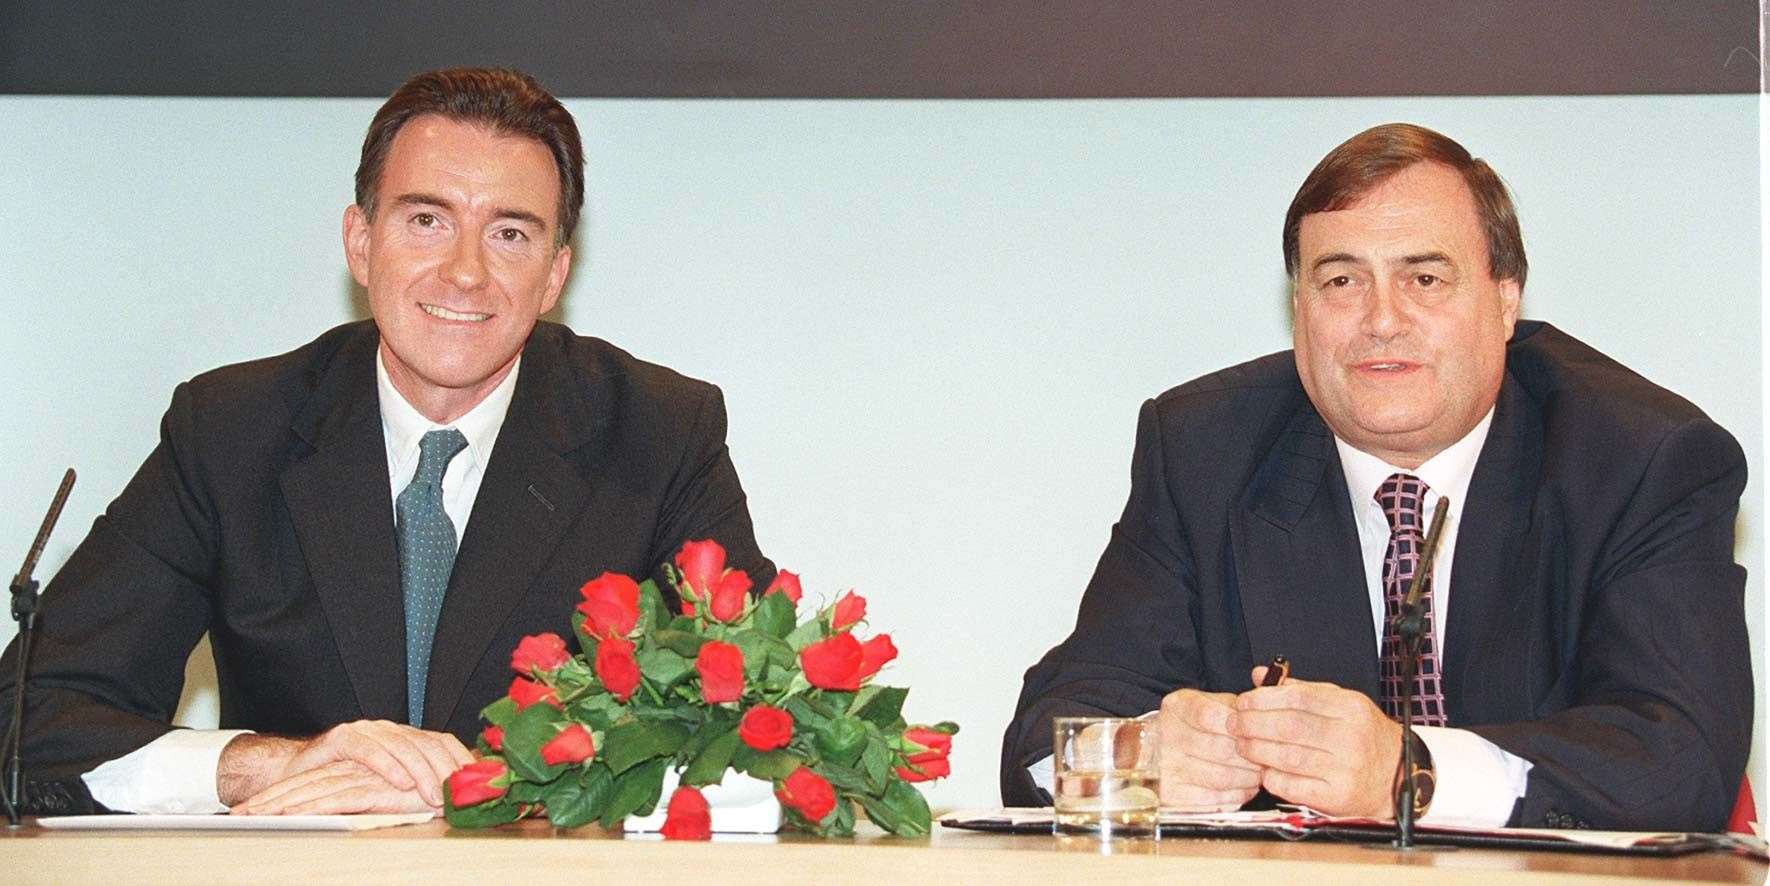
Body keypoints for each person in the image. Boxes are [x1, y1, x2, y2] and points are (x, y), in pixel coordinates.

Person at [0, 67, 773, 816]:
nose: (465, 272)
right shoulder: (232, 432)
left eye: (509, 233)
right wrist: (276, 764)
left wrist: (496, 784)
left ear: (553, 274)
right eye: (427, 220)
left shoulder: (657, 434)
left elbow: (767, 727)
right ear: (361, 242)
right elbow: (31, 715)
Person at [1000, 123, 1752, 832]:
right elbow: (1048, 737)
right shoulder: (1203, 452)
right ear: (1299, 308)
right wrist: (1145, 759)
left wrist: (1410, 771)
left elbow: (1682, 759)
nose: (1381, 320)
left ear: (1504, 297)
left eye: (1424, 278)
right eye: (1339, 282)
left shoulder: (1642, 458)